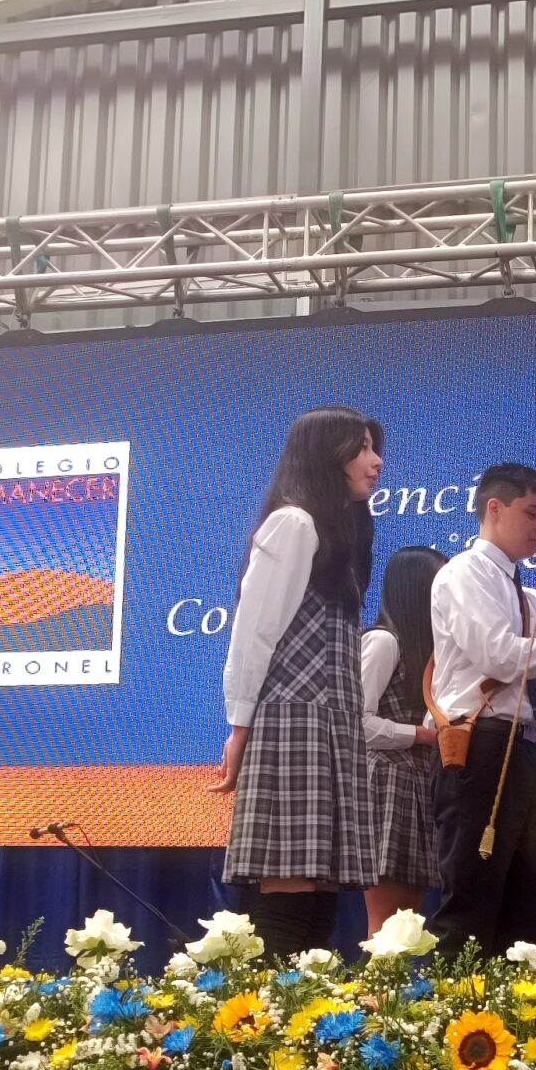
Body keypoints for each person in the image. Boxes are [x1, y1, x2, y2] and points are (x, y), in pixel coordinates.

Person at [212, 406, 385, 960]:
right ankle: (271, 1010)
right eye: (361, 448)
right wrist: (240, 728)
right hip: (293, 722)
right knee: (289, 887)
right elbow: (254, 631)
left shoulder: (336, 534)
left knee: (321, 892)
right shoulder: (294, 523)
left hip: (330, 723)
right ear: (325, 455)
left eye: (374, 448)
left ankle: (307, 1009)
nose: (375, 462)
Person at [428, 464, 536, 958]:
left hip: (524, 750)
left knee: (520, 912)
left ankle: (511, 1005)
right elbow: (498, 655)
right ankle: (455, 1005)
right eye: (531, 513)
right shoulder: (464, 572)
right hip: (480, 744)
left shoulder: (525, 594)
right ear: (494, 508)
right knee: (470, 903)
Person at [360, 544, 448, 932]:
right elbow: (357, 723)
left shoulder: (428, 650)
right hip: (386, 783)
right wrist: (420, 735)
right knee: (384, 927)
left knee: (409, 926)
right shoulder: (384, 641)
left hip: (418, 783)